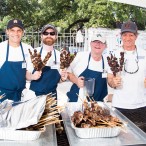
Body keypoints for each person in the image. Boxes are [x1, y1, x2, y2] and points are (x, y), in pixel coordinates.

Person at [107, 21, 146, 113]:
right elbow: (109, 79)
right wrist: (113, 82)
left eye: (131, 35)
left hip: (141, 105)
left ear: (136, 36)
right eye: (125, 35)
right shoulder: (114, 55)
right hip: (119, 105)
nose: (127, 38)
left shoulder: (144, 54)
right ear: (121, 36)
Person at [0, 19, 41, 102]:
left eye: (19, 30)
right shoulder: (1, 48)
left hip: (20, 97)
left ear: (22, 32)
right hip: (2, 96)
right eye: (12, 30)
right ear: (7, 32)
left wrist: (33, 77)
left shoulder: (28, 49)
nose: (16, 33)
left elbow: (27, 74)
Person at [66, 34, 108, 102]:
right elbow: (68, 73)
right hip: (76, 101)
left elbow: (111, 81)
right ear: (90, 44)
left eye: (101, 42)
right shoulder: (81, 56)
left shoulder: (107, 61)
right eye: (95, 41)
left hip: (96, 104)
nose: (98, 44)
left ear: (105, 46)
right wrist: (77, 81)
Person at [28, 24, 66, 97]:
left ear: (56, 36)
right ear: (41, 36)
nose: (49, 35)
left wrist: (62, 79)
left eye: (52, 33)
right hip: (34, 96)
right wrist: (33, 76)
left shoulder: (60, 56)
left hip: (52, 98)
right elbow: (26, 75)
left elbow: (58, 80)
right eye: (45, 33)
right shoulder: (34, 53)